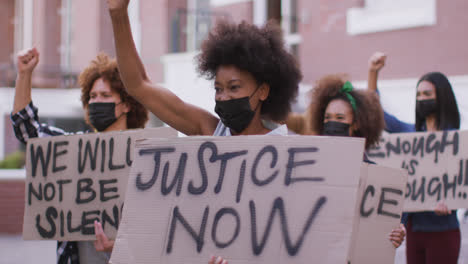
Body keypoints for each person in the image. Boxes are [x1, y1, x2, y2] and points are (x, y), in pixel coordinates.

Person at [11, 48, 149, 264]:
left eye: (105, 96)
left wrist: (121, 246)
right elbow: (28, 131)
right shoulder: (74, 149)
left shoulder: (146, 156)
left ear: (127, 105)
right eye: (92, 96)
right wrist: (24, 75)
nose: (96, 102)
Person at [106, 0, 301, 138]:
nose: (223, 97)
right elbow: (138, 85)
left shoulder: (286, 147)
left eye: (234, 87)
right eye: (218, 89)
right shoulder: (210, 131)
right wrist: (118, 15)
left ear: (263, 91)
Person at [287, 74, 406, 249]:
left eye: (340, 118)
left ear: (356, 123)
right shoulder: (310, 170)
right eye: (327, 118)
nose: (332, 123)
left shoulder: (373, 174)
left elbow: (384, 227)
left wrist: (395, 233)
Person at [367, 52, 461, 263]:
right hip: (414, 230)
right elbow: (377, 112)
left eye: (427, 94)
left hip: (443, 232)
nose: (421, 99)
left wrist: (452, 204)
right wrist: (373, 72)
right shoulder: (409, 134)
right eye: (418, 95)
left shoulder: (455, 141)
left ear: (442, 97)